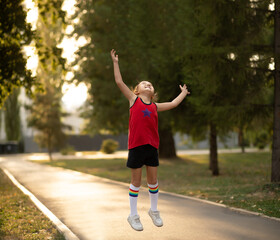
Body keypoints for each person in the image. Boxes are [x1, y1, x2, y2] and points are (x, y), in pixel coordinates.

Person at [110, 49, 190, 231]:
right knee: (136, 182)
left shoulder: (155, 106)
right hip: (136, 147)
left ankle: (154, 211)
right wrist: (115, 63)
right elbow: (118, 81)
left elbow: (174, 103)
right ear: (137, 91)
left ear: (153, 92)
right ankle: (133, 215)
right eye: (144, 84)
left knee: (153, 181)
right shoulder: (133, 100)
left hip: (152, 147)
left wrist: (184, 92)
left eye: (150, 84)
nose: (148, 85)